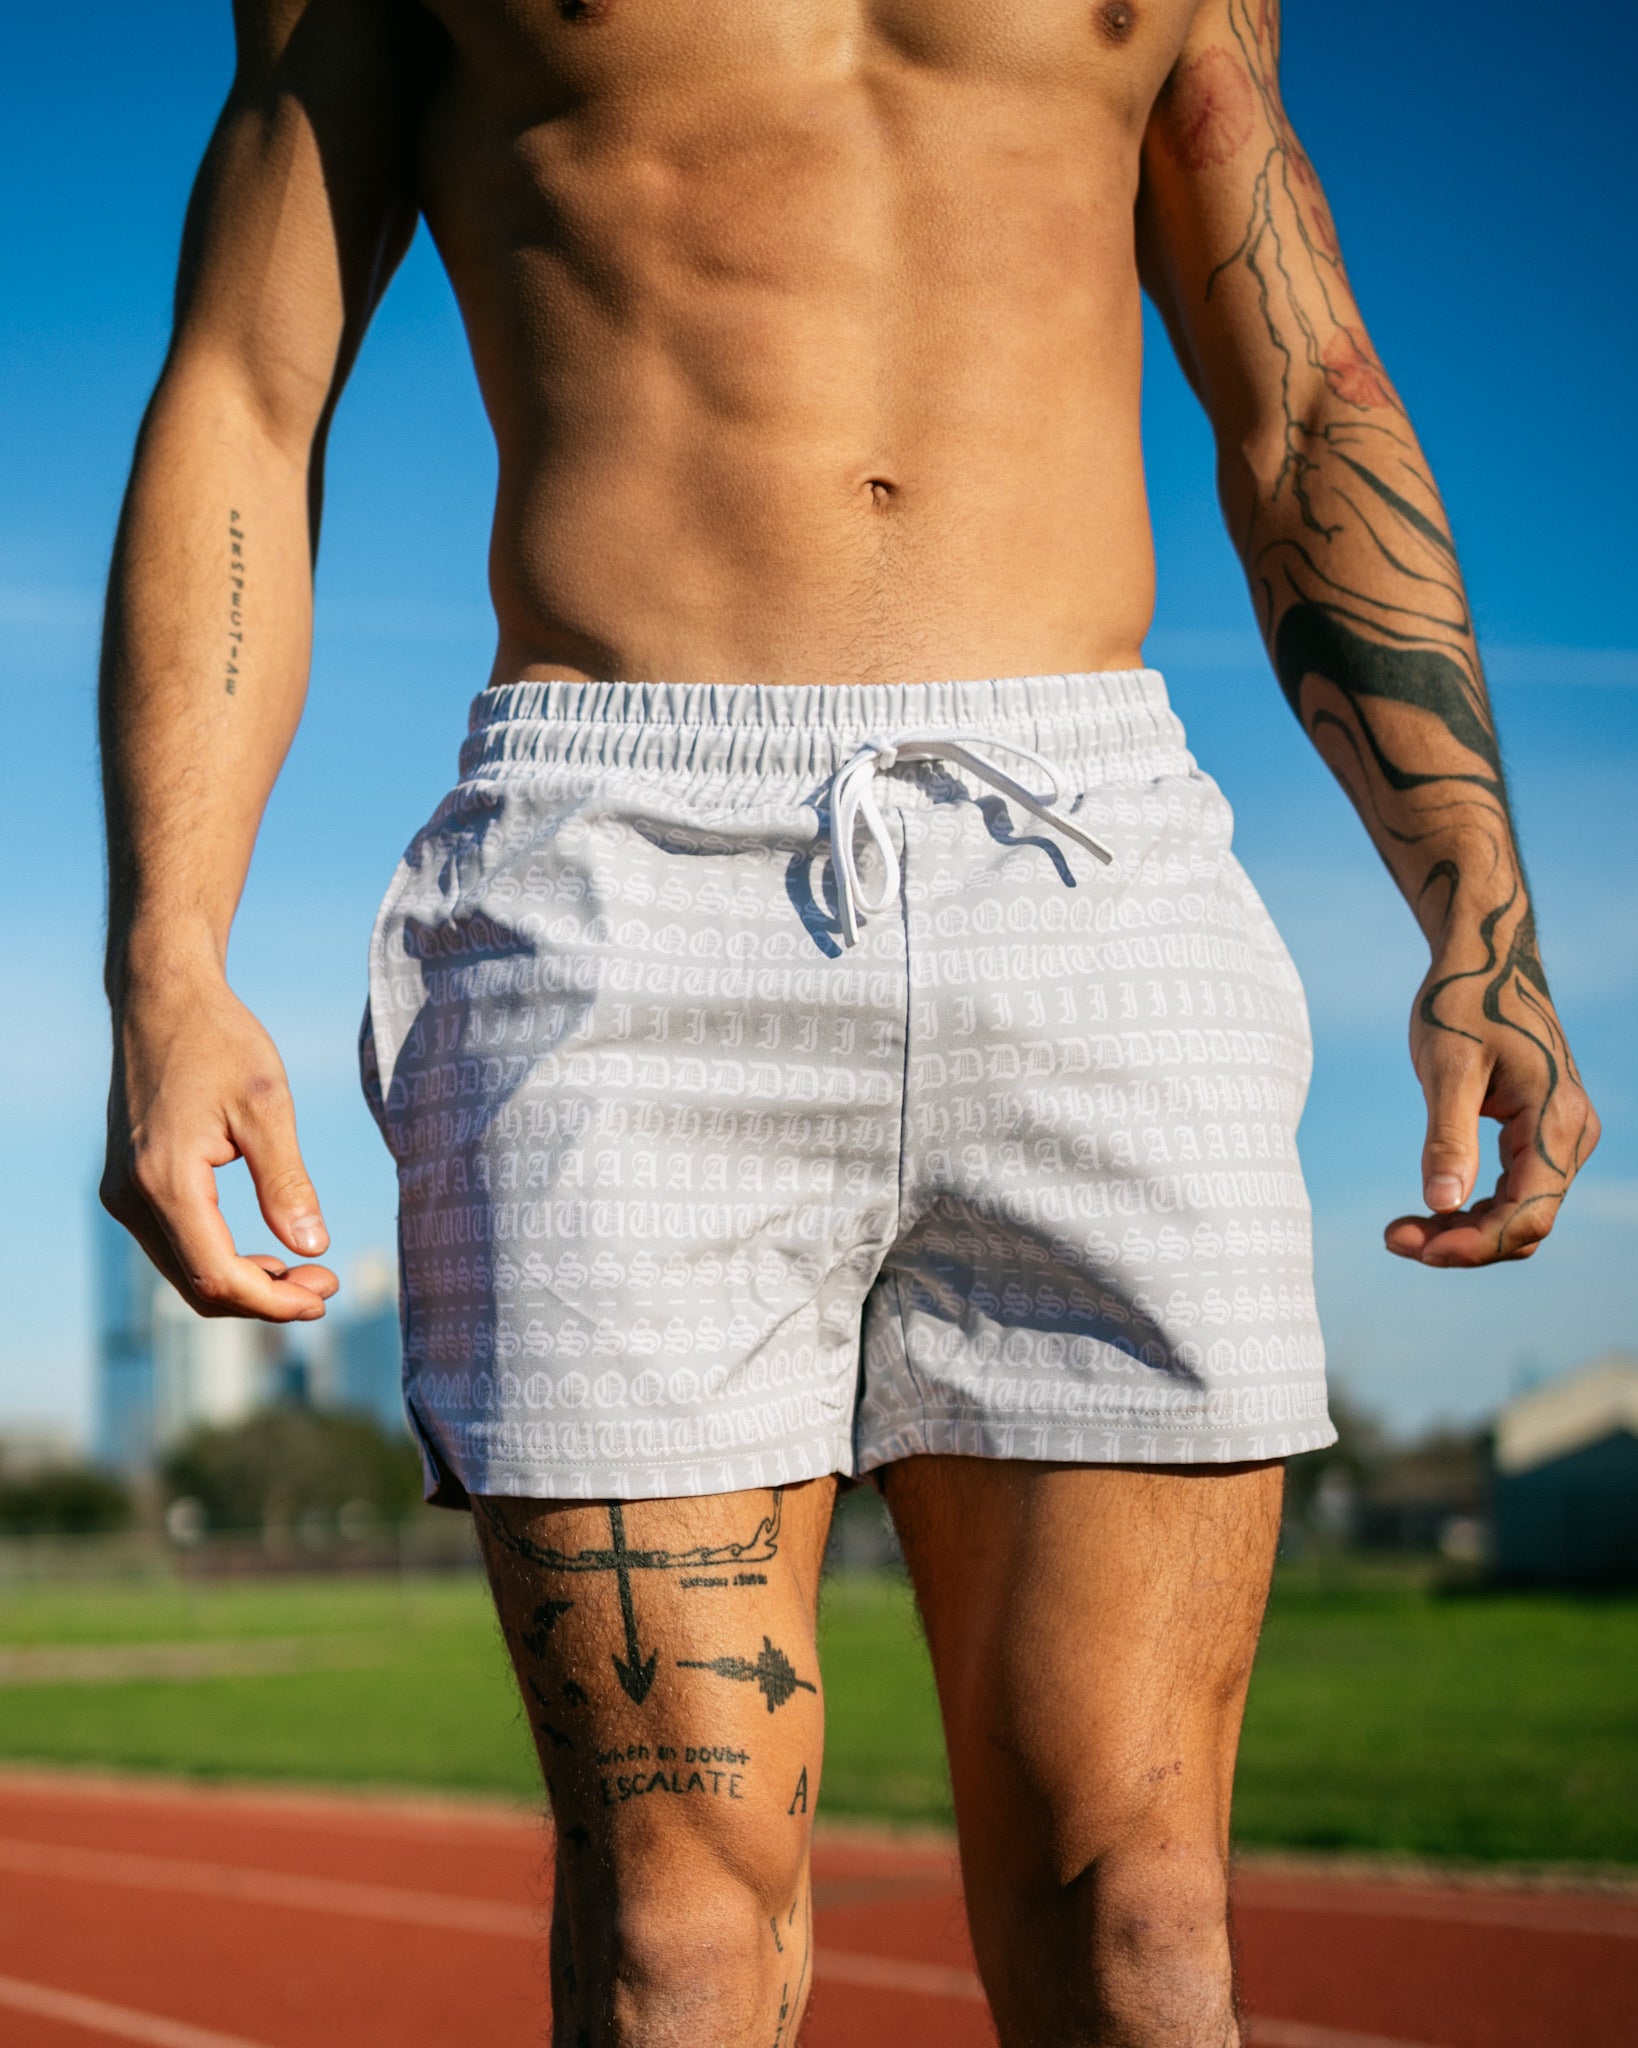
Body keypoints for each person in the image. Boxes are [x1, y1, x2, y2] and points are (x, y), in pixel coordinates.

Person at [98, 1, 1597, 2040]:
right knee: (679, 1945)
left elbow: (1302, 389)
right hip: (614, 872)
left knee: (1144, 1920)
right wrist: (167, 956)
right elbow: (247, 388)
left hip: (1094, 857)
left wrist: (1479, 911)